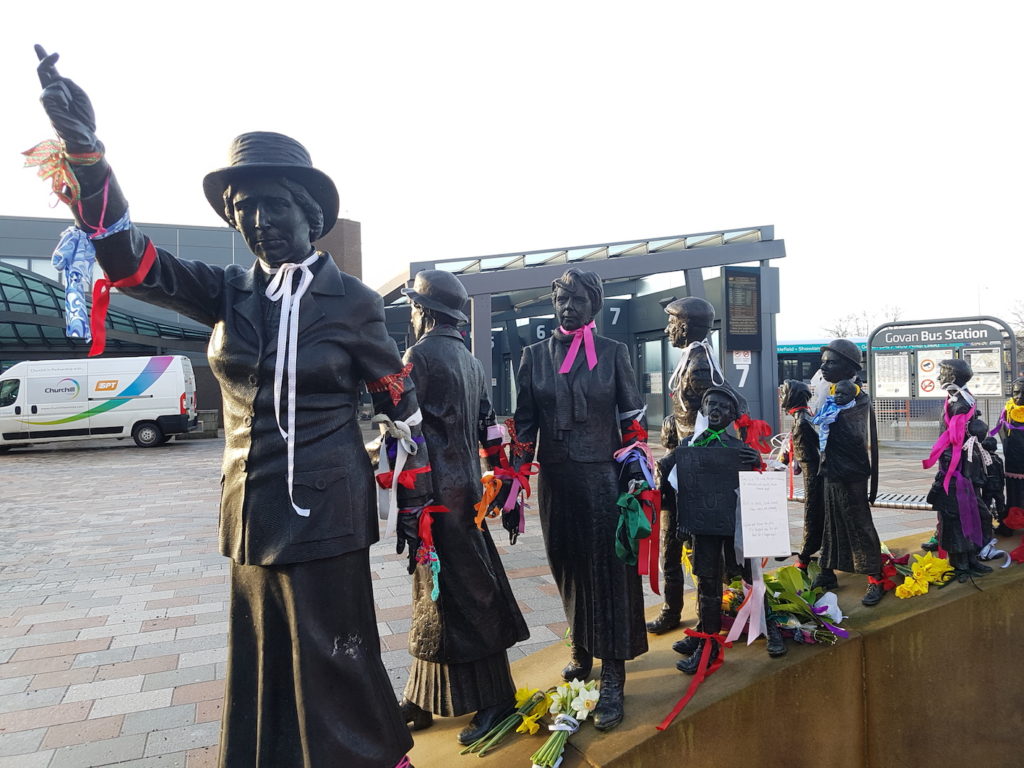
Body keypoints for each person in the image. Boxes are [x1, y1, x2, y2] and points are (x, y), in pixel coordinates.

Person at [31, 48, 425, 768]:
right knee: (263, 653)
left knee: (332, 649)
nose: (260, 223)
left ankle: (368, 758)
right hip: (249, 506)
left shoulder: (358, 305)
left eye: (274, 207)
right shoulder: (226, 292)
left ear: (310, 214)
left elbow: (400, 407)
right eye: (245, 212)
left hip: (328, 508)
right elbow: (126, 260)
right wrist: (88, 156)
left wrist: (427, 505)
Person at [500, 268, 650, 731]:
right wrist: (513, 485)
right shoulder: (531, 357)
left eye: (578, 300)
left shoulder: (613, 353)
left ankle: (614, 672)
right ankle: (581, 646)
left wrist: (636, 475)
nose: (568, 307)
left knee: (608, 572)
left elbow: (633, 422)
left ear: (594, 306)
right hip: (558, 480)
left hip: (604, 479)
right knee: (566, 565)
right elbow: (524, 426)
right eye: (562, 299)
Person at [396, 270, 529, 745]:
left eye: (414, 306)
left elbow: (407, 434)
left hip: (436, 499)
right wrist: (505, 487)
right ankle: (421, 696)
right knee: (437, 592)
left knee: (462, 593)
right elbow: (490, 430)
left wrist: (409, 506)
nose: (412, 315)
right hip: (467, 493)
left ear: (426, 312)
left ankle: (498, 698)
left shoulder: (419, 356)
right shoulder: (470, 361)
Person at [648, 296, 746, 636]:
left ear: (685, 327)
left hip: (694, 475)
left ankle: (695, 617)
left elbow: (724, 412)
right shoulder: (693, 360)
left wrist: (681, 449)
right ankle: (676, 610)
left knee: (681, 546)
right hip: (683, 467)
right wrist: (671, 426)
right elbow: (692, 414)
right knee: (673, 544)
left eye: (671, 324)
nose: (667, 330)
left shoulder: (700, 366)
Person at [670, 387, 782, 674]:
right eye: (710, 404)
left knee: (750, 575)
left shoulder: (741, 450)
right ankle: (708, 643)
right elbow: (678, 486)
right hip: (704, 527)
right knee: (707, 582)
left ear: (734, 415)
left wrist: (756, 464)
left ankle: (770, 627)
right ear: (703, 411)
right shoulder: (689, 447)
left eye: (722, 405)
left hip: (737, 528)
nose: (715, 409)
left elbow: (759, 488)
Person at [812, 339, 886, 607]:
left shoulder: (857, 400)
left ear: (848, 367)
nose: (824, 367)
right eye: (824, 363)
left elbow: (854, 436)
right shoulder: (834, 395)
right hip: (832, 470)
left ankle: (875, 578)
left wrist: (829, 423)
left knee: (858, 522)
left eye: (830, 362)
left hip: (851, 472)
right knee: (831, 521)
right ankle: (827, 570)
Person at [923, 360, 992, 580]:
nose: (938, 378)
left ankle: (969, 559)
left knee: (966, 511)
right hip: (957, 465)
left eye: (941, 374)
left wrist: (949, 463)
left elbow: (956, 437)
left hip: (959, 466)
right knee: (959, 512)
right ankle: (961, 563)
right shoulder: (960, 398)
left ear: (952, 377)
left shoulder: (959, 401)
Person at [779, 380, 824, 570]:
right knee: (813, 511)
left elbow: (816, 448)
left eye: (784, 393)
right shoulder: (802, 418)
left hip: (814, 474)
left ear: (792, 396)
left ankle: (805, 556)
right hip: (810, 472)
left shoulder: (802, 421)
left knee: (813, 512)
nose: (781, 397)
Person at [992, 377, 1024, 533]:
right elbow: (1001, 431)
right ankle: (1010, 522)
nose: (1019, 397)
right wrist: (1008, 447)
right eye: (1016, 392)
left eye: (1023, 393)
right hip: (1013, 461)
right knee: (1013, 492)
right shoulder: (1008, 409)